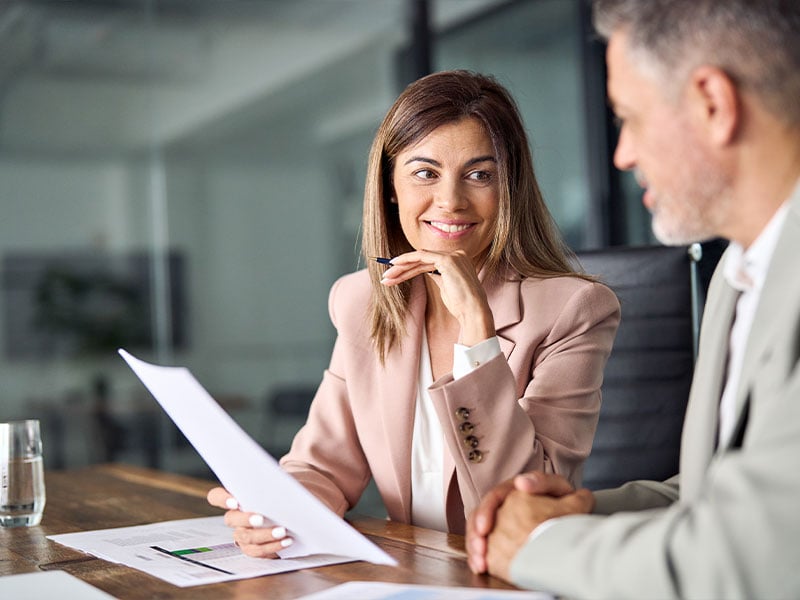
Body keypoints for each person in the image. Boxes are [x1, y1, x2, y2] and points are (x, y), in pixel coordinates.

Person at [208, 69, 620, 557]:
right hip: (410, 571)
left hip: (517, 574)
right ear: (390, 188)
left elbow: (529, 499)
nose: (450, 201)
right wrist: (278, 510)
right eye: (425, 173)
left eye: (480, 175)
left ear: (509, 188)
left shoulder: (573, 310)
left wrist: (477, 334)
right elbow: (322, 466)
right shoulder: (362, 301)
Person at [466, 1, 800, 598]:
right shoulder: (739, 275)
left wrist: (542, 545)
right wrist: (583, 511)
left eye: (630, 118)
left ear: (713, 105)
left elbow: (756, 555)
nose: (622, 155)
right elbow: (716, 494)